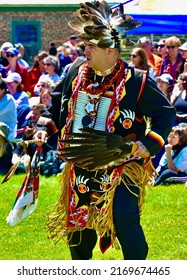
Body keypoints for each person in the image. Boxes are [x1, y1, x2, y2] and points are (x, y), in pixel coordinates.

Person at [34, 1, 176, 260]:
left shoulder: (137, 82)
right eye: (84, 45)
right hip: (81, 164)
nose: (84, 50)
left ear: (110, 50)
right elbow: (56, 105)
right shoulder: (76, 71)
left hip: (122, 164)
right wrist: (44, 127)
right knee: (78, 230)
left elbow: (166, 113)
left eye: (90, 46)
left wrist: (145, 146)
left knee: (123, 218)